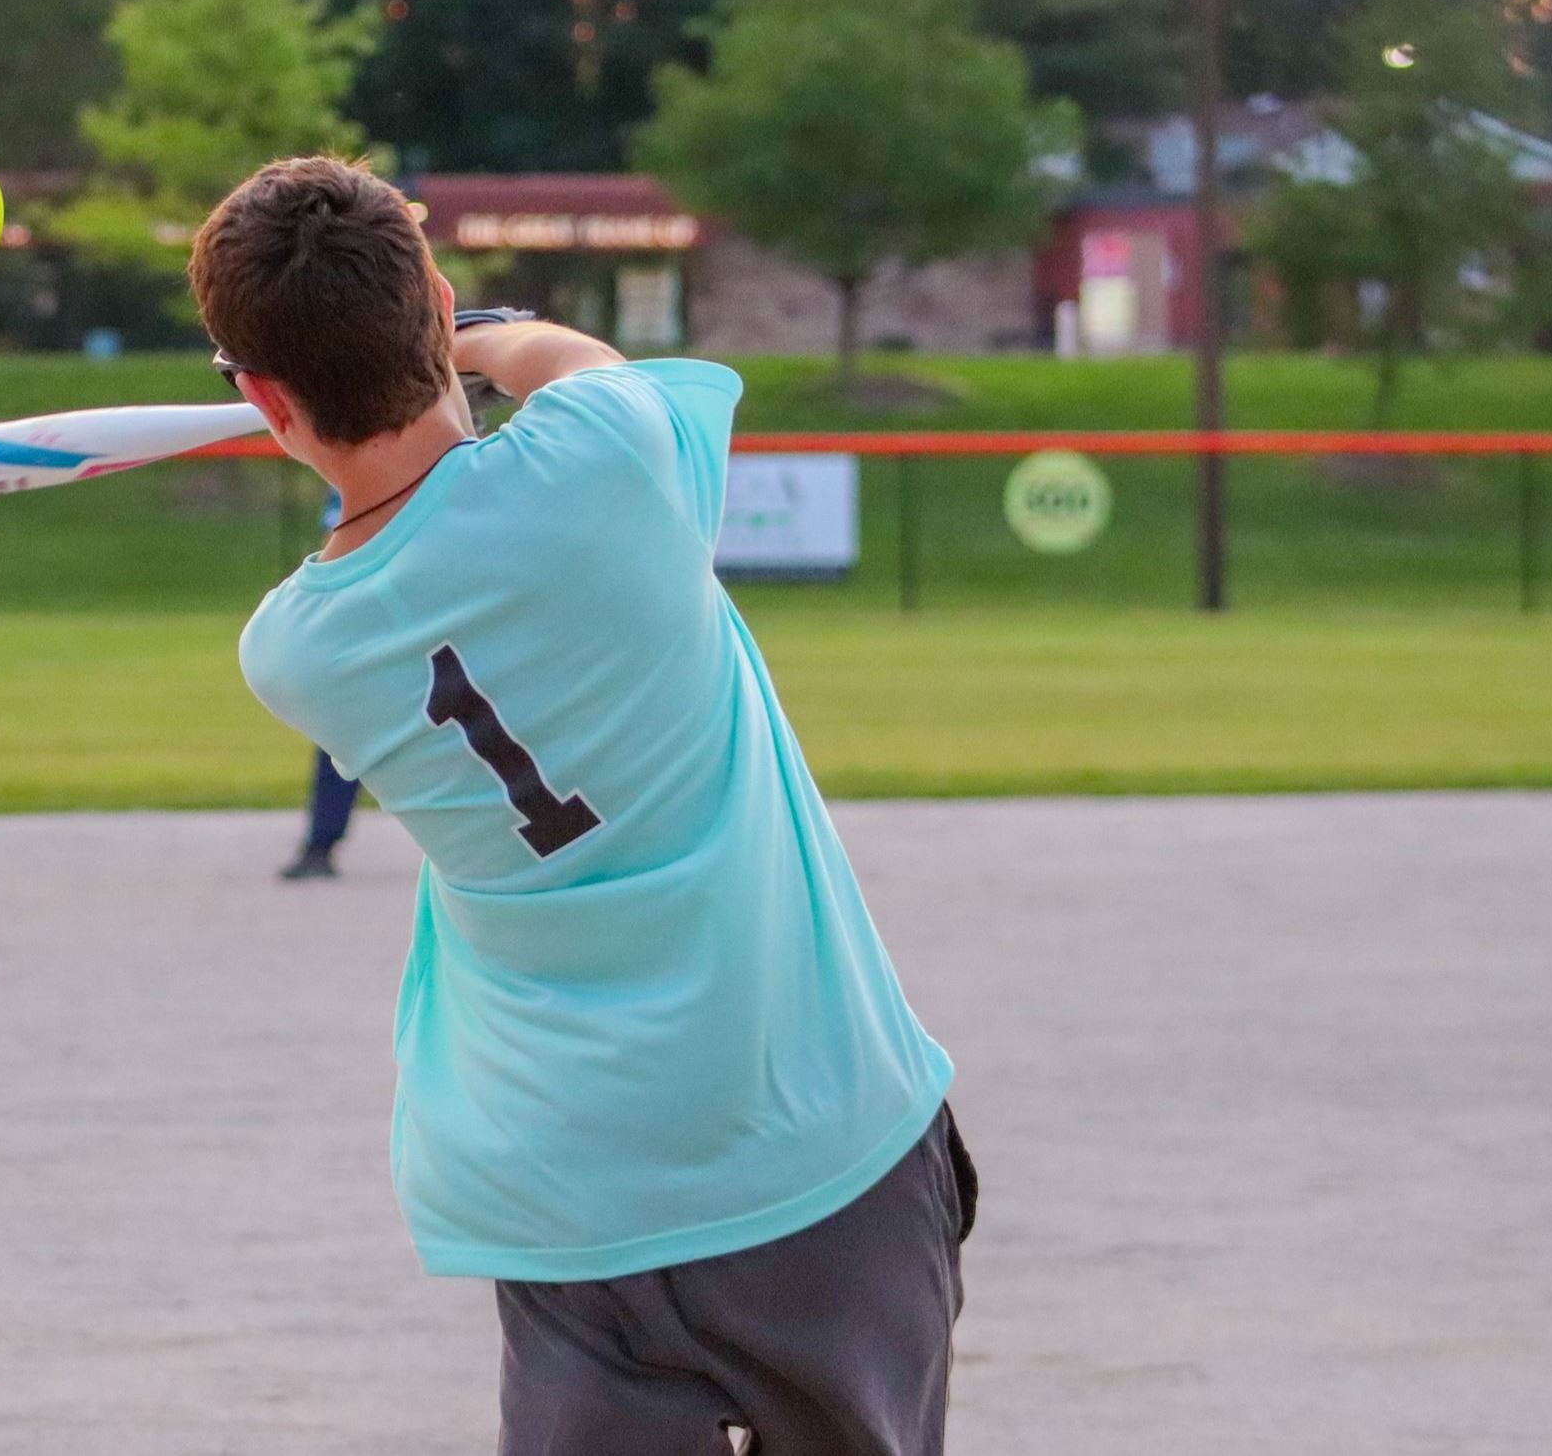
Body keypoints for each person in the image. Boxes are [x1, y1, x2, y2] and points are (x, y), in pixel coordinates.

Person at [197, 156, 974, 1455]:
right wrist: (479, 334)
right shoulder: (611, 457)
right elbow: (572, 361)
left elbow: (386, 535)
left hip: (567, 1202)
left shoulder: (298, 650)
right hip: (818, 1146)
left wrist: (295, 381)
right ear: (433, 297)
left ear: (267, 394)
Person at [280, 487, 364, 881]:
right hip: (369, 618)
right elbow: (337, 539)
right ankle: (321, 843)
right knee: (342, 730)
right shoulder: (358, 469)